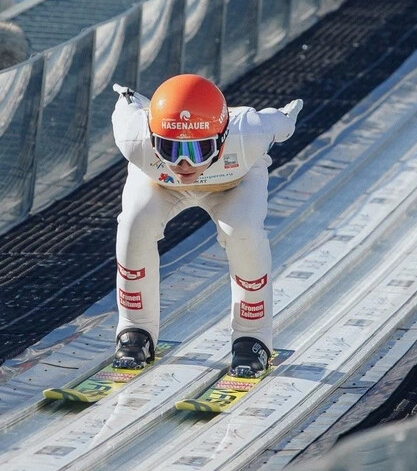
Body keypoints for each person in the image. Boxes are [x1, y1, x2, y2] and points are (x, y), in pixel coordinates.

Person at [110, 74, 303, 377]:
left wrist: (288, 115)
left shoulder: (249, 133)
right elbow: (128, 104)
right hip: (160, 185)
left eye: (199, 150)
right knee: (134, 226)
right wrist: (129, 96)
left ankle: (252, 336)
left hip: (233, 185)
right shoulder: (134, 139)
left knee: (243, 234)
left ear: (223, 138)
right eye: (170, 149)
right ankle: (135, 328)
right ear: (150, 138)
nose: (184, 165)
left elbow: (280, 123)